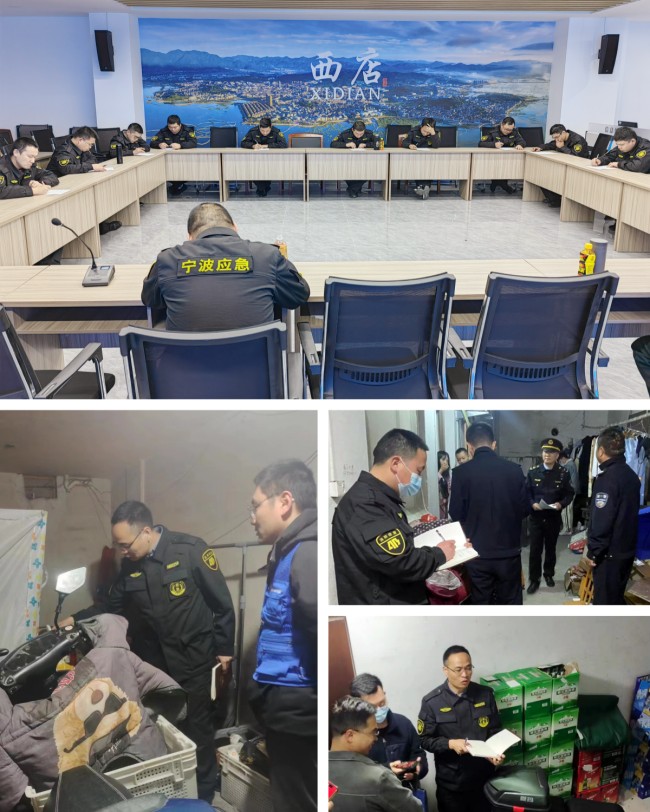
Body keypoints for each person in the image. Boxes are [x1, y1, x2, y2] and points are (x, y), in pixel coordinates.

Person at [65, 500, 236, 804]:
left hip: (194, 662)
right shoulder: (131, 566)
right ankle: (173, 793)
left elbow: (221, 604)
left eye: (125, 545)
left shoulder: (190, 550)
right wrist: (74, 620)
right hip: (157, 667)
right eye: (118, 546)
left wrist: (225, 650)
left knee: (198, 733)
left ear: (146, 532)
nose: (122, 552)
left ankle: (204, 798)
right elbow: (110, 606)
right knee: (163, 731)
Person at [248, 460, 317, 812]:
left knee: (296, 803)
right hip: (284, 706)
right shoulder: (288, 550)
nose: (252, 517)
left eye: (256, 505)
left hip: (299, 711)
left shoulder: (307, 553)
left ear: (285, 501)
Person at [332, 428, 457, 605]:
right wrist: (440, 554)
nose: (419, 478)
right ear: (396, 463)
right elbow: (402, 562)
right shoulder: (366, 505)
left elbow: (395, 551)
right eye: (418, 471)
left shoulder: (381, 499)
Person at [141, 202, 310, 331]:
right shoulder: (266, 255)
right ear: (235, 227)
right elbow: (298, 295)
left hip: (183, 365)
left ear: (190, 236)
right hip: (255, 366)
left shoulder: (167, 260)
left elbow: (150, 300)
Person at [449, 422, 529, 605]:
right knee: (510, 601)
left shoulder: (460, 473)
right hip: (509, 552)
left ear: (470, 447)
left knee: (481, 601)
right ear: (494, 444)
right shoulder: (514, 470)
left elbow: (456, 513)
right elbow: (525, 508)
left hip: (477, 554)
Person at [418, 645, 504, 812]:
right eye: (458, 670)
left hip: (484, 780)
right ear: (445, 670)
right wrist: (450, 744)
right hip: (452, 786)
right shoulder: (432, 702)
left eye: (468, 668)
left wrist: (496, 752)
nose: (465, 674)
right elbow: (424, 740)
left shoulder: (485, 694)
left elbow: (494, 730)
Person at [329, 696, 423, 812]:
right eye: (373, 732)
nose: (375, 738)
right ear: (350, 735)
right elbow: (415, 809)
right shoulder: (379, 778)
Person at [584, 427, 641, 604]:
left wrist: (594, 552)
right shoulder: (632, 476)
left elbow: (602, 520)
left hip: (609, 555)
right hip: (626, 551)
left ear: (601, 451)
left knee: (605, 602)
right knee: (616, 597)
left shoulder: (606, 479)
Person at [350, 673, 429, 786]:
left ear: (384, 694)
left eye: (382, 702)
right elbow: (354, 771)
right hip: (373, 794)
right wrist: (387, 770)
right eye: (372, 707)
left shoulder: (403, 723)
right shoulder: (354, 734)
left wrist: (418, 770)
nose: (379, 709)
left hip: (405, 791)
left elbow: (418, 754)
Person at [47, 126, 121, 234]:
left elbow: (93, 159)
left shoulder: (82, 148)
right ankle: (96, 227)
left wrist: (87, 166)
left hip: (75, 181)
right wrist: (90, 166)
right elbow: (67, 169)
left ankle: (99, 225)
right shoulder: (63, 151)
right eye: (90, 144)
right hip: (60, 186)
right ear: (80, 140)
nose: (90, 147)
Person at [526, 438, 575, 595]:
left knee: (551, 549)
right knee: (535, 550)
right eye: (545, 451)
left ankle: (548, 574)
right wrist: (532, 503)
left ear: (557, 455)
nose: (547, 454)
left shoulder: (563, 473)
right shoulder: (533, 472)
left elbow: (569, 493)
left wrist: (561, 504)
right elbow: (526, 493)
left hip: (553, 518)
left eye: (551, 452)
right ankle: (534, 579)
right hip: (536, 518)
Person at [531, 124, 590, 206]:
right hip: (565, 165)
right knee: (542, 175)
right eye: (554, 138)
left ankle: (556, 200)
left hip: (578, 168)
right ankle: (554, 199)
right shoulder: (560, 138)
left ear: (563, 132)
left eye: (557, 137)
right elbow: (552, 145)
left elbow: (576, 157)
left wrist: (562, 147)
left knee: (551, 176)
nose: (556, 139)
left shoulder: (578, 140)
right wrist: (541, 147)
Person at [150, 114, 197, 195]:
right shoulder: (164, 131)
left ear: (180, 125)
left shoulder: (187, 130)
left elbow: (193, 142)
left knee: (180, 172)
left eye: (175, 127)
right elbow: (152, 142)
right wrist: (159, 144)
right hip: (168, 161)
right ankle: (177, 186)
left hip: (185, 160)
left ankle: (177, 186)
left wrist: (181, 146)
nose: (172, 129)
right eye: (170, 127)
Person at [241, 116, 287, 197]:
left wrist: (266, 146)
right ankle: (263, 187)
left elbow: (283, 144)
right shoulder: (253, 131)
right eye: (262, 131)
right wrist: (253, 146)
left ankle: (262, 188)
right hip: (255, 160)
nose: (265, 133)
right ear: (259, 127)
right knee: (255, 168)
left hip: (272, 160)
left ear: (271, 127)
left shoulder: (276, 132)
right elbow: (243, 143)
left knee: (267, 168)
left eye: (267, 131)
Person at [477, 116, 526, 194]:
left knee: (509, 165)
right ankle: (503, 185)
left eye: (510, 130)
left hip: (509, 158)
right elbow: (480, 143)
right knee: (500, 166)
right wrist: (494, 145)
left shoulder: (514, 132)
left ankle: (496, 183)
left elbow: (522, 141)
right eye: (506, 129)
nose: (508, 131)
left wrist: (520, 145)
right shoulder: (493, 132)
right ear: (502, 125)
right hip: (493, 159)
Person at [331, 119, 377, 198]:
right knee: (345, 170)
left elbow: (379, 143)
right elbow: (332, 144)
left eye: (361, 134)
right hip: (348, 161)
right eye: (357, 133)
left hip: (365, 161)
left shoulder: (369, 133)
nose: (359, 136)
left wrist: (366, 145)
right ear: (352, 130)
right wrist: (346, 145)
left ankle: (352, 190)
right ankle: (355, 189)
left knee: (370, 170)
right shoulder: (345, 133)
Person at [401, 117, 440, 198]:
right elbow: (404, 142)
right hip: (416, 158)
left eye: (428, 132)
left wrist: (432, 133)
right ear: (421, 126)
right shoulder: (414, 131)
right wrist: (409, 145)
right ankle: (425, 187)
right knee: (419, 167)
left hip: (430, 159)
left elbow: (436, 146)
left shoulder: (435, 133)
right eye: (424, 131)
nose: (426, 133)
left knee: (429, 167)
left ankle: (422, 188)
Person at [559, 448, 579, 534]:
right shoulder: (572, 464)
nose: (560, 462)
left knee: (566, 510)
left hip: (569, 490)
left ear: (563, 458)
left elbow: (568, 479)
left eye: (560, 460)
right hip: (572, 489)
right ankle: (569, 528)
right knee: (568, 510)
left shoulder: (569, 465)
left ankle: (567, 529)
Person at [438, 451, 451, 520]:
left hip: (446, 507)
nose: (445, 462)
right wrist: (441, 470)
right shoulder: (435, 474)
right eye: (443, 459)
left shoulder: (448, 475)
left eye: (447, 460)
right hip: (438, 507)